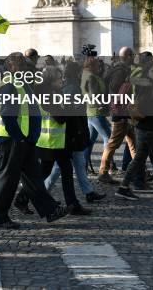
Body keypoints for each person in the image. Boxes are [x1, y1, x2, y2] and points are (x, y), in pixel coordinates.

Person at [0, 53, 69, 229]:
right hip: (13, 140)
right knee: (8, 179)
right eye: (22, 66)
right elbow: (7, 115)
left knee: (33, 178)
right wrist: (19, 138)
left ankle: (50, 210)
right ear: (11, 67)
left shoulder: (20, 83)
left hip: (24, 140)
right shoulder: (9, 85)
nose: (26, 69)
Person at [43, 61, 105, 204]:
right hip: (71, 135)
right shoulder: (71, 88)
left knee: (78, 163)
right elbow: (71, 115)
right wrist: (80, 133)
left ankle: (88, 192)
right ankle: (42, 192)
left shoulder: (70, 87)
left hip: (73, 133)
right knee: (60, 167)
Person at [37, 66, 92, 215]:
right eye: (58, 78)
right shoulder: (47, 94)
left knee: (64, 171)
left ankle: (73, 204)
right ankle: (22, 198)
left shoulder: (55, 92)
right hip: (50, 141)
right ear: (50, 80)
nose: (61, 80)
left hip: (58, 141)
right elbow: (59, 118)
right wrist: (72, 108)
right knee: (43, 173)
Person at [116, 58, 153, 201]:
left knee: (139, 159)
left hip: (144, 128)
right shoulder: (148, 89)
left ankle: (123, 187)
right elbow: (145, 108)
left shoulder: (150, 87)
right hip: (149, 130)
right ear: (147, 73)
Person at [98, 47, 136, 185]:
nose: (134, 57)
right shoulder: (120, 71)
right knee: (113, 143)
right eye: (132, 55)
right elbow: (115, 89)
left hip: (125, 112)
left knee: (133, 143)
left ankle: (139, 171)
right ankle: (103, 172)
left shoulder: (118, 69)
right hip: (121, 113)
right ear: (126, 56)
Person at [81, 56, 113, 179]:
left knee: (90, 140)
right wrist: (100, 105)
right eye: (97, 66)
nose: (99, 68)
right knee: (109, 138)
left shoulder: (86, 75)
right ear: (91, 66)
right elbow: (93, 94)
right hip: (95, 111)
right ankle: (106, 168)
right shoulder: (91, 77)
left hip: (90, 111)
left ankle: (84, 167)